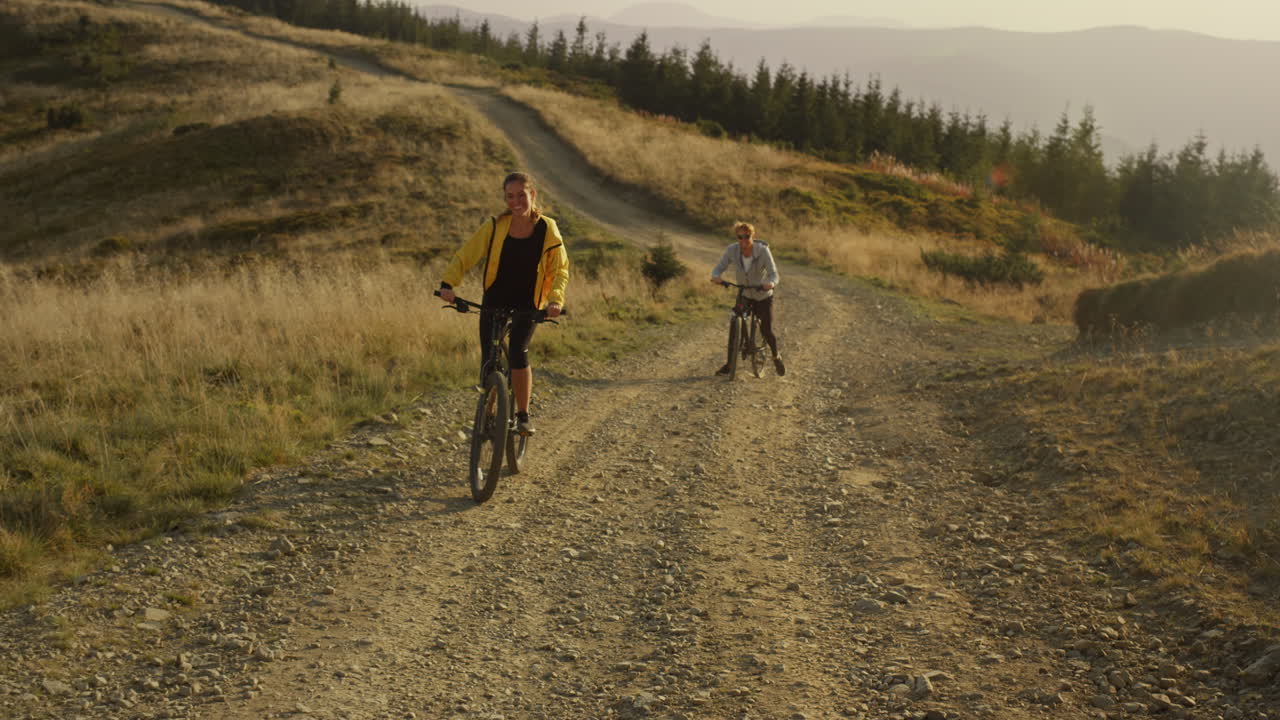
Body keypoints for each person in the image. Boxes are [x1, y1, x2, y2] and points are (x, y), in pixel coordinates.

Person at [439, 172, 569, 436]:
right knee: (489, 357)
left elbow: (560, 270)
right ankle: (487, 413)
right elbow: (466, 255)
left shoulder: (547, 228)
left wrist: (555, 300)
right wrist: (448, 284)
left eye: (521, 195)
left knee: (519, 352)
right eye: (510, 196)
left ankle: (522, 416)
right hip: (495, 298)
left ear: (532, 195)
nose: (516, 201)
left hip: (528, 302)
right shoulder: (495, 226)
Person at [710, 221, 785, 376]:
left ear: (753, 235)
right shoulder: (732, 250)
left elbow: (774, 274)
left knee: (766, 329)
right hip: (744, 293)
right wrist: (716, 276)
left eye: (747, 236)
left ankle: (776, 356)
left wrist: (771, 283)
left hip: (762, 295)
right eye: (740, 237)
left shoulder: (763, 250)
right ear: (737, 237)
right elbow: (719, 267)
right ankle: (730, 365)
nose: (744, 240)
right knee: (734, 324)